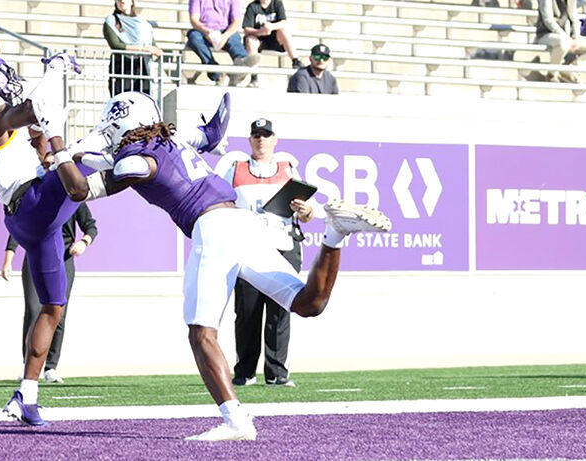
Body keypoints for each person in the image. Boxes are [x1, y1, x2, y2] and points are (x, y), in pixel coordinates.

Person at [71, 91, 392, 441]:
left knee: (201, 332)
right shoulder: (171, 140)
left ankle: (235, 421)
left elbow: (107, 177)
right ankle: (335, 235)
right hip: (241, 221)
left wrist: (74, 152)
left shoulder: (137, 156)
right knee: (307, 304)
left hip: (211, 227)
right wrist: (79, 156)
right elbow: (210, 133)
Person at [0, 50, 95, 426]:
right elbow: (27, 111)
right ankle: (195, 140)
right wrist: (56, 68)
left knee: (53, 307)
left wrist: (39, 139)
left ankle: (25, 396)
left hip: (24, 217)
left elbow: (28, 128)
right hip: (31, 202)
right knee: (94, 158)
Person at [216, 118, 313, 388]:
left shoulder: (289, 169)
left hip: (282, 245)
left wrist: (305, 211)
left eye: (266, 135)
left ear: (275, 140)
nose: (261, 139)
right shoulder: (235, 170)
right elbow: (222, 203)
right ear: (249, 140)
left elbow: (306, 213)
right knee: (247, 311)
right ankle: (245, 371)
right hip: (247, 245)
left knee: (281, 310)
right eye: (256, 135)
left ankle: (277, 373)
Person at [1, 203, 98, 384]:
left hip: (64, 259)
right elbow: (18, 228)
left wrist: (84, 242)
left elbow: (91, 226)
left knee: (58, 313)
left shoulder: (74, 198)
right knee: (33, 309)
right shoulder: (39, 195)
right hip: (36, 256)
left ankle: (51, 367)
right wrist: (8, 260)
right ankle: (27, 364)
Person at [187, 0, 260, 86]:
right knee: (194, 37)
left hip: (225, 30)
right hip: (204, 30)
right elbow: (194, 19)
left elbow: (236, 22)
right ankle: (217, 74)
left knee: (234, 38)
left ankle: (242, 62)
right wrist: (206, 31)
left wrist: (225, 36)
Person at [535, 0, 586, 83]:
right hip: (546, 34)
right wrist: (566, 37)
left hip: (568, 36)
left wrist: (576, 37)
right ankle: (552, 74)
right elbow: (548, 20)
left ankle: (571, 70)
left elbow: (574, 18)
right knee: (563, 43)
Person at [103, 0, 163, 96]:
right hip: (122, 66)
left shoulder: (142, 23)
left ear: (131, 2)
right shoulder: (111, 20)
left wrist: (156, 51)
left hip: (141, 66)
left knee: (142, 101)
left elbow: (151, 44)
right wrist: (142, 49)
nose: (122, 1)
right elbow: (115, 45)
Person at [243, 0, 302, 88]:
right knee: (250, 40)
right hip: (258, 38)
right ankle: (254, 76)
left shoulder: (277, 3)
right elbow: (247, 29)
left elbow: (284, 22)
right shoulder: (252, 6)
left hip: (274, 38)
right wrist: (261, 32)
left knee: (283, 30)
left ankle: (296, 61)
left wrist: (271, 27)